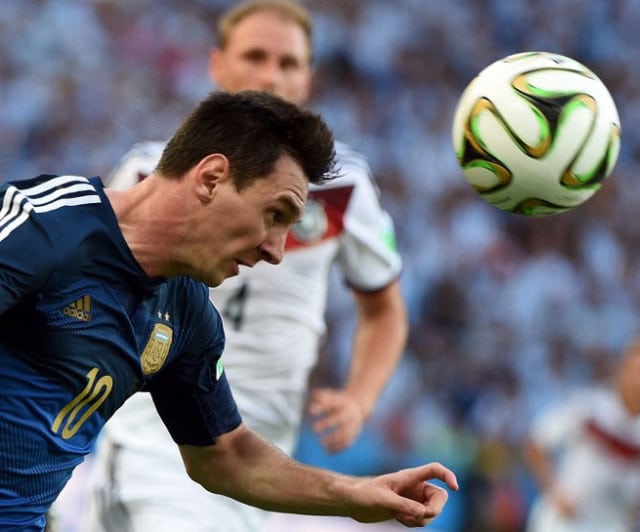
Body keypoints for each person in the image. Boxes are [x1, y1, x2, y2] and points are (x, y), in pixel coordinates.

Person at [0, 89, 458, 531]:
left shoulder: (185, 316)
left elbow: (226, 456)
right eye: (275, 214)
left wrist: (356, 495)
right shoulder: (40, 225)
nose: (277, 251)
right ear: (211, 178)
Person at [81, 1, 409, 531]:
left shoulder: (345, 189)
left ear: (308, 78)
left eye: (288, 63)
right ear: (218, 65)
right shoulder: (151, 172)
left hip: (263, 458)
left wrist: (359, 400)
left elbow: (384, 311)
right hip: (156, 444)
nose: (270, 74)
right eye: (255, 56)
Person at [522, 336, 640, 532]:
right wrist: (555, 491)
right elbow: (535, 443)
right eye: (639, 371)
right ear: (622, 371)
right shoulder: (589, 406)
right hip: (565, 523)